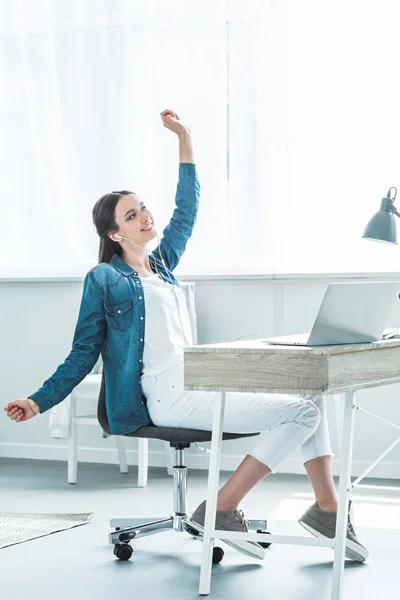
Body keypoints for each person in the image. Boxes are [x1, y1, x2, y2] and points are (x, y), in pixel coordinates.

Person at [4, 109, 368, 563]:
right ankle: (221, 506)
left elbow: (188, 208)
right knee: (300, 415)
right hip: (164, 392)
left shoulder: (163, 267)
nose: (145, 218)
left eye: (144, 209)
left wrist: (185, 139)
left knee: (312, 396)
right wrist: (39, 400)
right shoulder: (104, 279)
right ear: (115, 233)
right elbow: (82, 352)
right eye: (132, 216)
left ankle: (327, 510)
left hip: (198, 379)